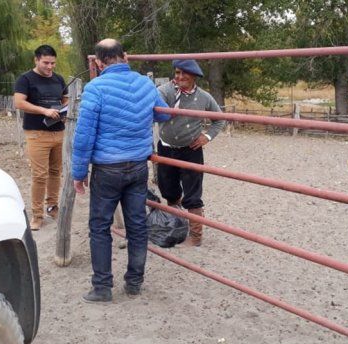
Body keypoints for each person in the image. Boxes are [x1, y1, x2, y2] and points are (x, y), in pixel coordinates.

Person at [72, 39, 171, 303]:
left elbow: (84, 136)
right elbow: (163, 114)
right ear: (124, 57)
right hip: (138, 165)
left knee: (99, 226)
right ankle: (134, 283)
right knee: (137, 225)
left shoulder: (96, 88)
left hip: (107, 168)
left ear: (98, 62)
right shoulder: (144, 84)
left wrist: (79, 173)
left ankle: (102, 287)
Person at [157, 59, 226, 246]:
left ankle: (195, 236)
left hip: (191, 150)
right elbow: (155, 108)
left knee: (193, 192)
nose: (179, 77)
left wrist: (207, 137)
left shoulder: (204, 97)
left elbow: (220, 120)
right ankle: (176, 225)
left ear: (194, 76)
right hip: (165, 148)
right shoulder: (165, 91)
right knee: (168, 190)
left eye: (184, 74)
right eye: (177, 73)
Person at [14, 44, 69, 231]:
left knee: (55, 172)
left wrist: (64, 110)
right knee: (39, 175)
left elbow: (65, 99)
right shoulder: (25, 79)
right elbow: (19, 102)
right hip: (37, 133)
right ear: (36, 60)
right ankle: (37, 215)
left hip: (58, 132)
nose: (50, 67)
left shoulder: (59, 79)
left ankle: (52, 207)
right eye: (46, 62)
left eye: (53, 63)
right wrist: (44, 110)